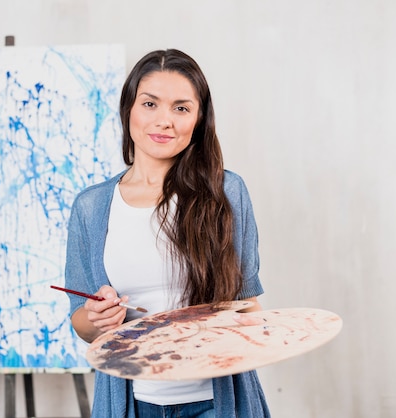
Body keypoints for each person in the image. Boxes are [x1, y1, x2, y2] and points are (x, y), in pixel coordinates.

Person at [64, 49, 271, 418]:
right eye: (150, 104)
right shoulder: (92, 207)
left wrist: (264, 333)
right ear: (129, 108)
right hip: (131, 404)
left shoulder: (226, 193)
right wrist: (97, 318)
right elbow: (81, 321)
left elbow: (247, 304)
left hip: (215, 402)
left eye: (181, 108)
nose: (164, 121)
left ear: (198, 118)